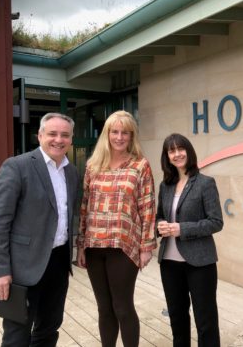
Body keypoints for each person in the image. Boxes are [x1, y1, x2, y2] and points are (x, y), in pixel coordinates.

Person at [0, 112, 79, 346]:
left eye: (65, 135)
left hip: (58, 262)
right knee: (17, 336)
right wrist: (0, 270)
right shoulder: (17, 166)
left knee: (49, 329)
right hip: (23, 267)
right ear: (40, 135)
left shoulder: (71, 172)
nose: (58, 139)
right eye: (52, 133)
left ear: (71, 140)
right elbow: (0, 221)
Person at [76, 110, 156, 347]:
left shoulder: (140, 165)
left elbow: (148, 205)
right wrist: (80, 245)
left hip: (124, 245)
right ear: (107, 134)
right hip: (93, 245)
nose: (120, 137)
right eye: (115, 131)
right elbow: (85, 206)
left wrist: (146, 246)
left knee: (122, 307)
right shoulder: (93, 165)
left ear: (132, 137)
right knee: (104, 307)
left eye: (125, 133)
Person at [156, 133, 223, 347]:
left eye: (180, 149)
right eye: (172, 151)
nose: (177, 154)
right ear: (167, 156)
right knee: (177, 318)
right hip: (169, 262)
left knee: (206, 321)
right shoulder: (165, 186)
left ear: (189, 151)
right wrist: (159, 225)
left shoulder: (205, 183)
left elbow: (216, 222)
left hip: (200, 263)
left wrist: (181, 229)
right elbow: (159, 216)